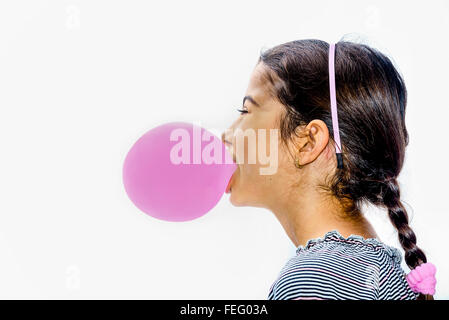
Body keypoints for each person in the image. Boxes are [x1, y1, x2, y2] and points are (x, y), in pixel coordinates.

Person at [221, 39, 436, 300]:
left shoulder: (313, 281)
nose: (226, 134)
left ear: (308, 142)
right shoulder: (375, 270)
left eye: (246, 110)